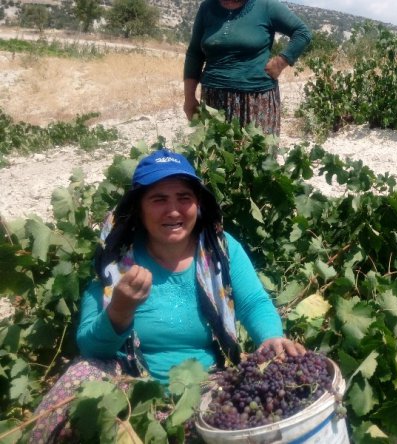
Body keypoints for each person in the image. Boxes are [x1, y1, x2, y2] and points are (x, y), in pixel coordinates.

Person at [30, 149, 304, 441]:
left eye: (184, 198)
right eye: (159, 199)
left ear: (198, 204)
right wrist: (119, 311)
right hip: (127, 386)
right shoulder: (117, 259)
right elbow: (90, 346)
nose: (173, 210)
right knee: (79, 376)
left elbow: (253, 303)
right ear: (139, 209)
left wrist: (271, 336)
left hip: (206, 385)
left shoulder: (219, 249)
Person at [183, 0, 312, 136]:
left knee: (257, 153)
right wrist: (189, 97)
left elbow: (302, 33)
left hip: (256, 100)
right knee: (216, 153)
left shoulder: (266, 6)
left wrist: (280, 62)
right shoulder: (207, 7)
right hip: (214, 100)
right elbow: (194, 53)